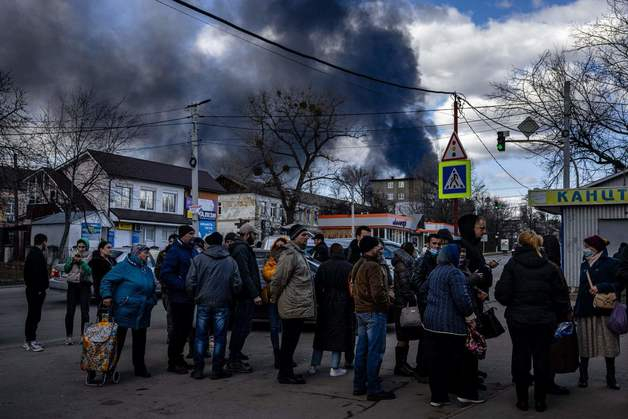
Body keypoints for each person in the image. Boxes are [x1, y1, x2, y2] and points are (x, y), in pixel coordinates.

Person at [495, 232, 571, 412]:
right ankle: (540, 401)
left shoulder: (512, 265)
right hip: (544, 320)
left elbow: (502, 295)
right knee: (542, 359)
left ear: (520, 244)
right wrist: (559, 316)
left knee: (520, 358)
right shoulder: (549, 266)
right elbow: (561, 297)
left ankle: (522, 400)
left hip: (518, 320)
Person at [423, 244, 484, 407]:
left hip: (431, 324)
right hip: (451, 325)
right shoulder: (454, 273)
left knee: (437, 363)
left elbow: (423, 290)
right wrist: (470, 316)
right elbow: (462, 299)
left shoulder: (435, 271)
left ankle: (438, 397)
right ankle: (467, 393)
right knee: (465, 360)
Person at [186, 232, 242, 380]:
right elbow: (237, 284)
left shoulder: (198, 259)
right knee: (220, 337)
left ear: (208, 244)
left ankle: (198, 369)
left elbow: (190, 282)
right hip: (223, 302)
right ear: (222, 243)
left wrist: (195, 296)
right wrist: (232, 295)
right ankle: (217, 370)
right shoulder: (230, 261)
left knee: (200, 336)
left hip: (203, 302)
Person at [574, 235, 623, 390]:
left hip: (604, 309)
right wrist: (576, 309)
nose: (585, 249)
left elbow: (620, 284)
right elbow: (582, 288)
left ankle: (611, 379)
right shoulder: (584, 264)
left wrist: (601, 287)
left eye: (587, 246)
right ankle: (583, 377)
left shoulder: (612, 263)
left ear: (596, 247)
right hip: (585, 309)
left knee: (608, 345)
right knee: (584, 345)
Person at [101, 245, 157, 378]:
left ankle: (140, 367)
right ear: (136, 254)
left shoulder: (147, 269)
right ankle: (109, 368)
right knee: (117, 341)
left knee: (140, 341)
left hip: (142, 309)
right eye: (145, 253)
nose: (147, 255)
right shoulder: (123, 267)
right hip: (125, 309)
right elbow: (106, 280)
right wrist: (107, 296)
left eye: (148, 253)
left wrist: (152, 300)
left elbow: (153, 286)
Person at [351, 236, 395, 401]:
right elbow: (377, 293)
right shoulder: (373, 266)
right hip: (374, 312)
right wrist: (387, 302)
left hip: (360, 311)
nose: (381, 249)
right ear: (371, 248)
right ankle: (374, 389)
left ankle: (359, 385)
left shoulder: (359, 263)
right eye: (378, 246)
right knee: (375, 351)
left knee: (362, 350)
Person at [270, 224, 315, 384]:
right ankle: (285, 374)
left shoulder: (298, 253)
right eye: (303, 235)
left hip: (297, 304)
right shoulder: (289, 254)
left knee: (292, 340)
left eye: (307, 235)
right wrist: (273, 298)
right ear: (294, 237)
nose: (307, 238)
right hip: (291, 303)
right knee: (289, 341)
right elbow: (279, 279)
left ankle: (287, 371)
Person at [308, 243, 353, 377]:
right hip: (343, 303)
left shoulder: (323, 266)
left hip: (326, 302)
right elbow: (352, 288)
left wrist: (320, 300)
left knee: (320, 334)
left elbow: (316, 285)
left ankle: (313, 365)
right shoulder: (348, 267)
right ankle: (334, 367)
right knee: (338, 335)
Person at [160, 224, 198, 374]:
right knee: (178, 330)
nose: (192, 237)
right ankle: (173, 361)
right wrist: (184, 285)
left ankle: (179, 358)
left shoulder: (192, 250)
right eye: (190, 234)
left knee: (185, 330)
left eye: (193, 234)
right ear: (182, 235)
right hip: (178, 297)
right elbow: (166, 274)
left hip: (190, 297)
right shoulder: (175, 251)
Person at [227, 223, 263, 373]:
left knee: (243, 327)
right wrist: (255, 294)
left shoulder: (242, 248)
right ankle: (233, 360)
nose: (255, 237)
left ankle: (236, 354)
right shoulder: (241, 249)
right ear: (247, 234)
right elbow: (245, 274)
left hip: (245, 294)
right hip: (244, 295)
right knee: (241, 327)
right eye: (254, 234)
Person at [541, 234, 573, 396]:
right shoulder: (554, 267)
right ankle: (548, 383)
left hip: (535, 315)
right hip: (552, 315)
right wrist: (567, 312)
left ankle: (541, 382)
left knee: (539, 352)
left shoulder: (539, 263)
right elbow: (561, 294)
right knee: (551, 351)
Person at [413, 233, 444, 380]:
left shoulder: (437, 260)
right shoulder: (423, 260)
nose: (437, 247)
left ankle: (427, 368)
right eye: (434, 244)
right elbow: (415, 282)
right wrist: (427, 291)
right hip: (426, 303)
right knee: (426, 337)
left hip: (434, 303)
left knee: (431, 338)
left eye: (439, 244)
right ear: (428, 244)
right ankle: (422, 369)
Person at [392, 242, 419, 377]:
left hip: (402, 303)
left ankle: (403, 363)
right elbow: (405, 285)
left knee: (405, 336)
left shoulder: (404, 262)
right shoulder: (402, 265)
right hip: (402, 305)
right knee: (402, 336)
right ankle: (400, 366)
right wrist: (412, 299)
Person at [262, 237, 289, 369]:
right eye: (277, 247)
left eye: (282, 247)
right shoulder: (270, 261)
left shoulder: (290, 260)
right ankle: (277, 355)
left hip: (286, 298)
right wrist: (280, 271)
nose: (280, 250)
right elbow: (267, 275)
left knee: (286, 328)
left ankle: (286, 355)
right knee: (274, 328)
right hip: (273, 298)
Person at [23, 233, 49, 352]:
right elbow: (37, 274)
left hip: (32, 289)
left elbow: (26, 274)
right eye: (46, 242)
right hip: (36, 290)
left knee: (32, 315)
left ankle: (28, 341)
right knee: (34, 315)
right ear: (43, 242)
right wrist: (39, 289)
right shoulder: (37, 255)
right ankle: (31, 341)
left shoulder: (32, 253)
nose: (46, 245)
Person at [63, 238, 92, 345]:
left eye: (83, 247)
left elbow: (89, 271)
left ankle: (83, 335)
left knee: (85, 313)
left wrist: (81, 262)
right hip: (72, 285)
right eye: (79, 246)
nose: (80, 249)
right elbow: (66, 269)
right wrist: (72, 262)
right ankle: (68, 336)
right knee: (70, 312)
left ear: (86, 248)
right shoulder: (72, 255)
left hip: (84, 285)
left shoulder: (90, 256)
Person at [155, 234, 177, 342]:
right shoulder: (163, 254)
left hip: (178, 289)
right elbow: (158, 270)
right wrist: (162, 281)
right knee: (169, 312)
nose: (172, 243)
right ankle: (171, 334)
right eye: (170, 241)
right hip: (166, 288)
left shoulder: (180, 253)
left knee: (173, 313)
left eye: (174, 241)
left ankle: (174, 335)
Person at [88, 241, 116, 305]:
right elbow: (98, 277)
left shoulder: (112, 259)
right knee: (103, 312)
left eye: (111, 247)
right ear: (101, 249)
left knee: (111, 312)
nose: (110, 249)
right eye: (108, 248)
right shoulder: (96, 261)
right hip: (102, 290)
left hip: (112, 289)